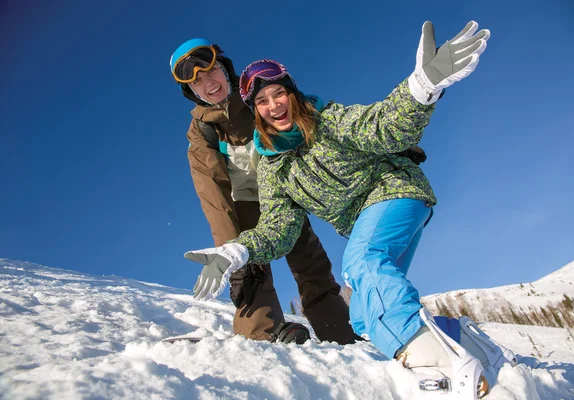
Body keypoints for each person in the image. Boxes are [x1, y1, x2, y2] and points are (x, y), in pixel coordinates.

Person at [184, 22, 517, 398]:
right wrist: (237, 250)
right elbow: (278, 226)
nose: (274, 105)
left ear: (291, 94)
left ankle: (437, 366)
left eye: (279, 94)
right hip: (367, 221)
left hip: (395, 193)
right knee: (362, 312)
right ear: (256, 112)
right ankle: (466, 342)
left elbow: (381, 125)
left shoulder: (325, 120)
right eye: (262, 102)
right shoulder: (273, 166)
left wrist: (423, 87)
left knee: (362, 260)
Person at [170, 38, 360, 345]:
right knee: (248, 268)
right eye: (197, 83)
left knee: (311, 263)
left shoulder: (254, 96)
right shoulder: (201, 134)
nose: (209, 84)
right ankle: (263, 335)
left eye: (211, 72)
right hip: (242, 203)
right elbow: (214, 198)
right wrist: (228, 255)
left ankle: (338, 331)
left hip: (284, 193)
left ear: (225, 69)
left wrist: (377, 150)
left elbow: (311, 116)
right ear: (191, 92)